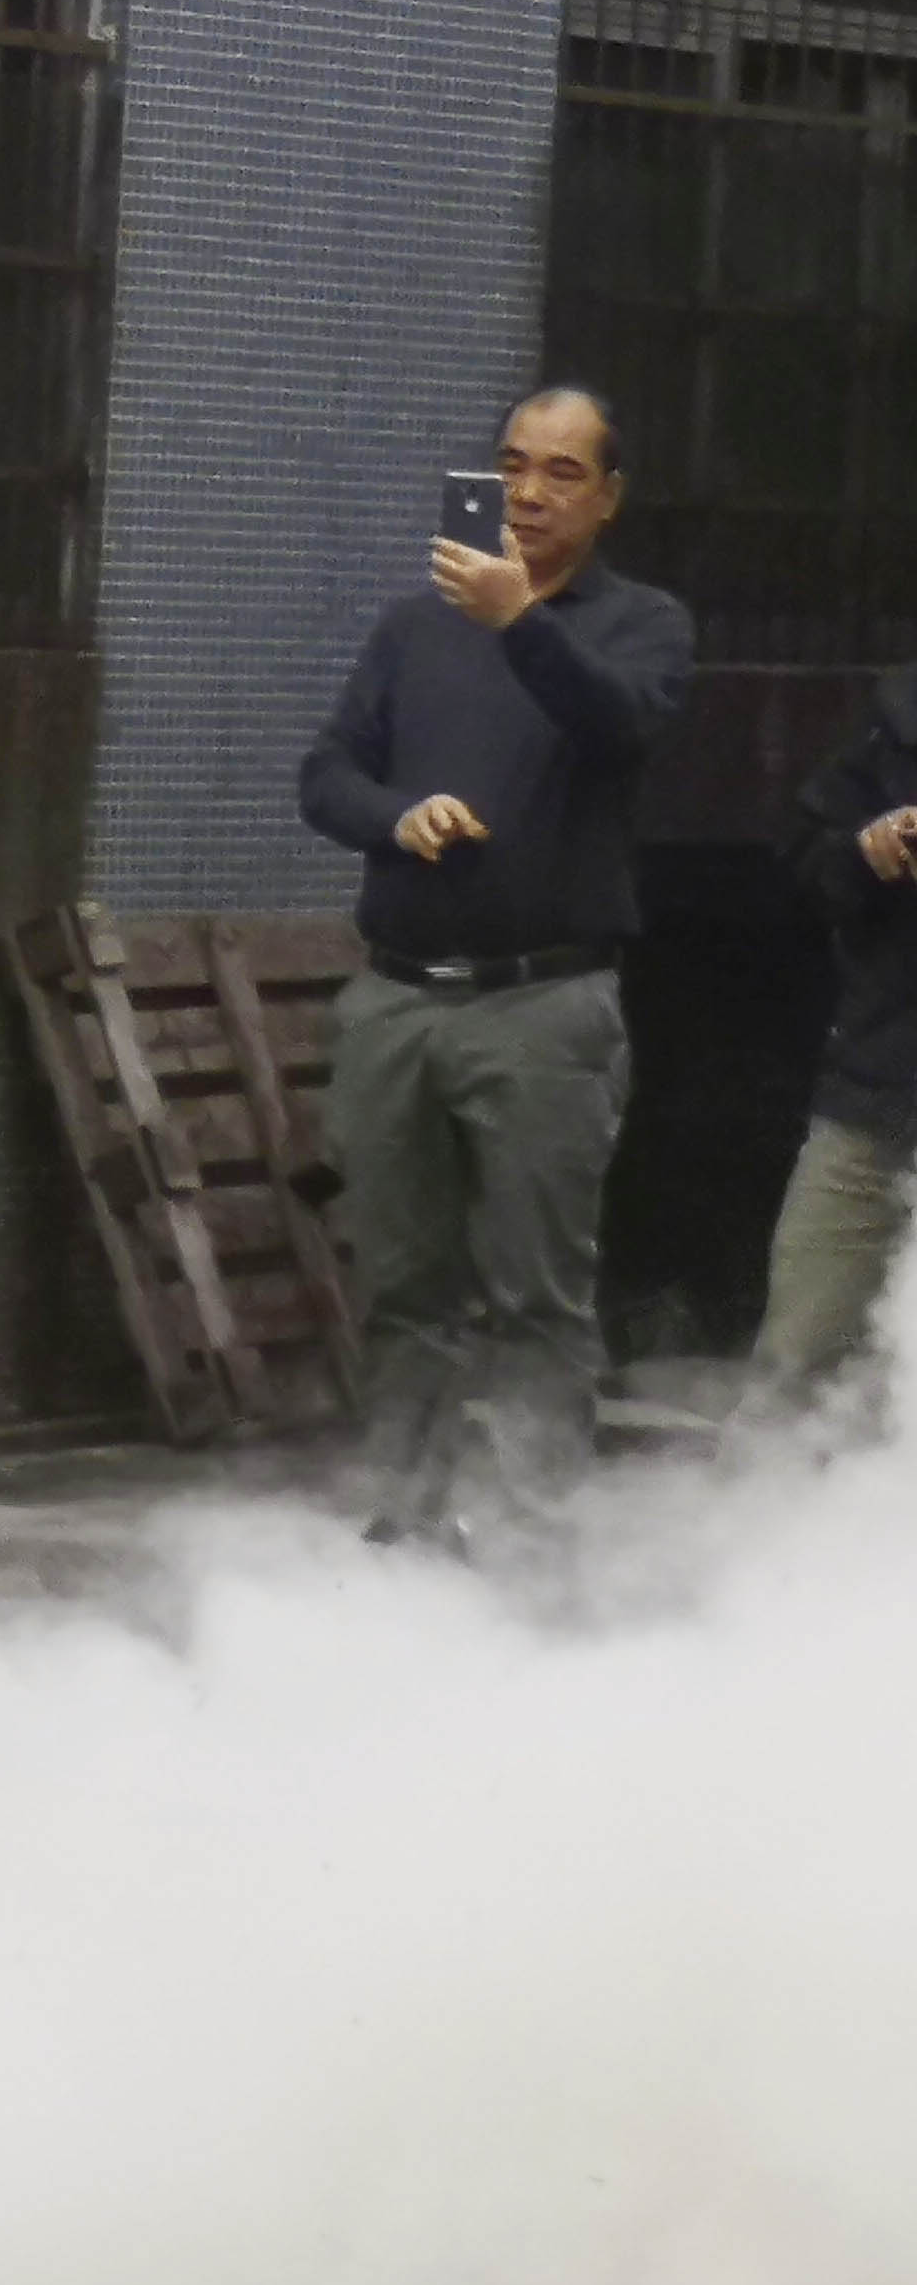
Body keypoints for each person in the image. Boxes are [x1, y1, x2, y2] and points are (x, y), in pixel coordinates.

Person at [297, 386, 693, 1544]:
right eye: (513, 465)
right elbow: (325, 773)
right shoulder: (413, 629)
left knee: (537, 1297)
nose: (527, 493)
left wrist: (521, 618)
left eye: (562, 473)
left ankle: (530, 1543)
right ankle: (404, 1522)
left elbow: (623, 723)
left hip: (545, 1006)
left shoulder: (642, 625)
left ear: (609, 498)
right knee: (404, 1290)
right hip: (398, 998)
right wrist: (397, 815)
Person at [749, 665, 917, 1403]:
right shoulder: (898, 712)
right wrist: (864, 851)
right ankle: (763, 1476)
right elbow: (805, 861)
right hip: (878, 1087)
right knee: (797, 1354)